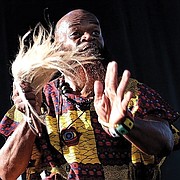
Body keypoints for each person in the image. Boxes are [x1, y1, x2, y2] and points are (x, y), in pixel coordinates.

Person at [0, 9, 179, 180]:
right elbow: (6, 172)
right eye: (76, 34)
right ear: (57, 48)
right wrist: (32, 117)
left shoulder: (130, 92)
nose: (88, 37)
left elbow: (165, 143)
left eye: (95, 33)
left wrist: (125, 125)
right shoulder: (40, 96)